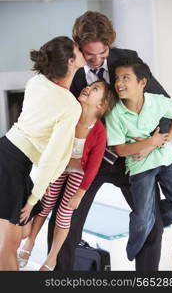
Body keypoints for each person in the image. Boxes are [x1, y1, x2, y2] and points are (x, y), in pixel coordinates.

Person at [48, 11, 172, 271]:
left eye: (101, 53)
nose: (94, 60)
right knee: (65, 221)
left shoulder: (127, 60)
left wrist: (153, 140)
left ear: (110, 45)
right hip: (86, 159)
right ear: (78, 45)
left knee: (151, 222)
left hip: (127, 157)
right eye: (88, 54)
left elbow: (164, 103)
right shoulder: (68, 67)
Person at [0, 36, 86, 271]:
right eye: (78, 48)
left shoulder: (36, 81)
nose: (82, 49)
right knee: (8, 246)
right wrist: (33, 198)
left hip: (6, 152)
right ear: (71, 61)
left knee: (19, 233)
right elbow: (51, 157)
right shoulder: (70, 106)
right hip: (13, 166)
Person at [17, 80, 113, 271]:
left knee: (64, 213)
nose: (87, 88)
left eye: (94, 89)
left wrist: (80, 193)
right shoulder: (71, 115)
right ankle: (30, 242)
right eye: (90, 85)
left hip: (79, 173)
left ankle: (51, 258)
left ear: (101, 105)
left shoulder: (99, 131)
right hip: (60, 167)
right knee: (45, 205)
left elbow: (93, 167)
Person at [105, 56, 172, 262]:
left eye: (125, 78)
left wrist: (165, 139)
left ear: (142, 83)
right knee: (142, 217)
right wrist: (150, 142)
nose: (119, 83)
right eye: (117, 79)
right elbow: (120, 149)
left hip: (165, 160)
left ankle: (152, 222)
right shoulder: (115, 113)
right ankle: (135, 246)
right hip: (139, 166)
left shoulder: (157, 101)